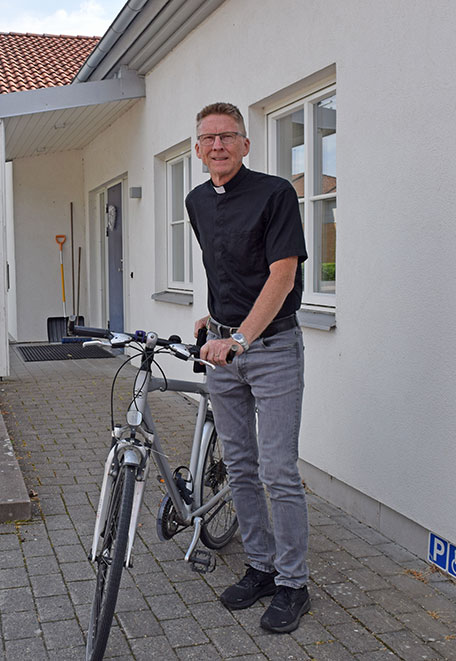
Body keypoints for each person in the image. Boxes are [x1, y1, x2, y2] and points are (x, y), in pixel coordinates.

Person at [186, 102, 311, 633]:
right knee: (238, 465)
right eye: (209, 138)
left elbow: (281, 276)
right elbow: (224, 269)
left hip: (271, 348)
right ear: (198, 149)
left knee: (277, 470)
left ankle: (293, 584)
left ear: (245, 144)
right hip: (222, 348)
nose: (218, 145)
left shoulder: (275, 194)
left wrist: (240, 337)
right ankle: (260, 568)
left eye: (228, 136)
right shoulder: (196, 200)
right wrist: (213, 317)